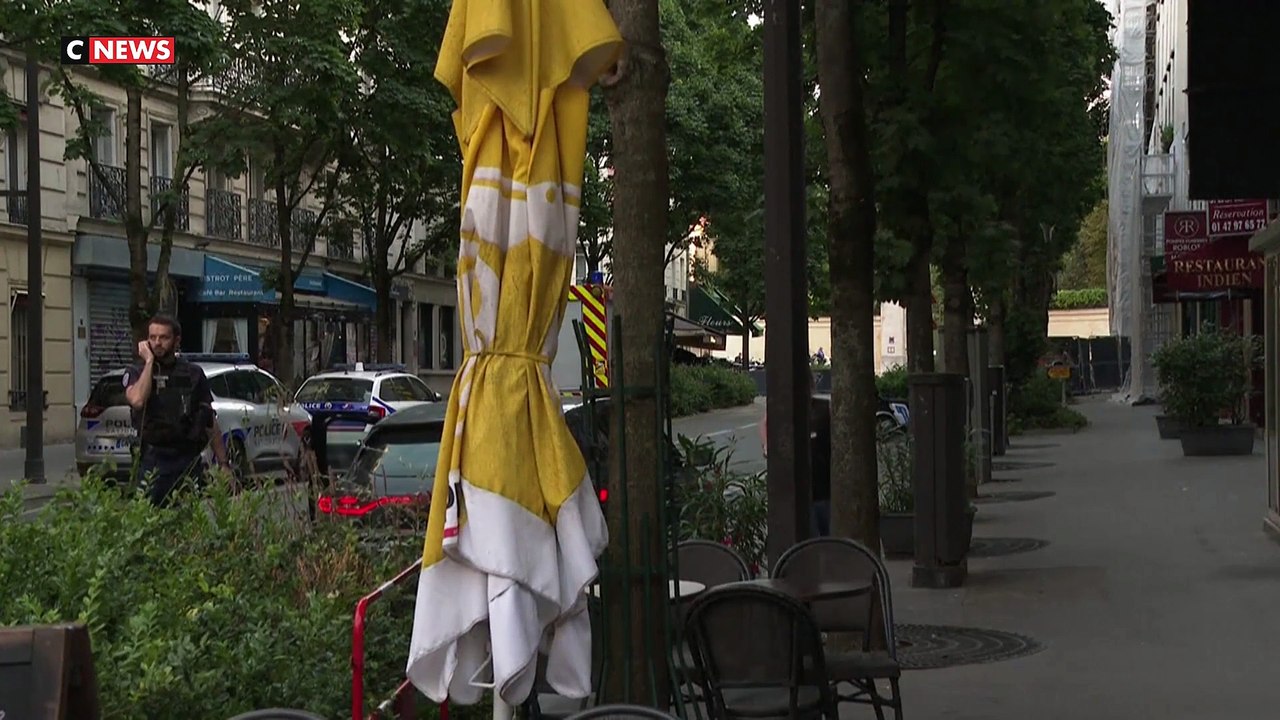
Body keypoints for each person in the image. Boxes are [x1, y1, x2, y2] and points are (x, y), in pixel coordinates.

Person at [124, 315, 230, 506]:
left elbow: (209, 420)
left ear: (176, 340)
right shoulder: (137, 371)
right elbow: (138, 400)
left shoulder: (193, 374)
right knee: (148, 519)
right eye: (152, 337)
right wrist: (149, 363)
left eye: (163, 337)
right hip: (153, 459)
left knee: (188, 520)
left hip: (186, 459)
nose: (157, 343)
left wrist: (223, 463)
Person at [758, 375, 832, 536]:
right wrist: (766, 447)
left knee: (825, 532)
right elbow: (765, 423)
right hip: (798, 489)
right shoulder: (784, 410)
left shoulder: (824, 408)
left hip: (823, 486)